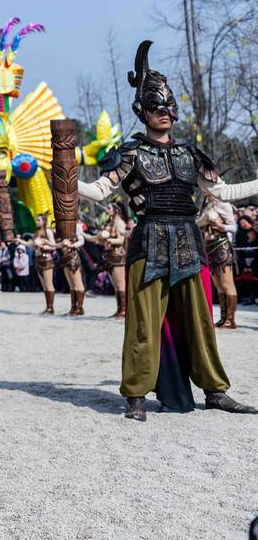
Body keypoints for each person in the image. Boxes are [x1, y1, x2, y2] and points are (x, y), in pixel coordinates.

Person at [78, 40, 258, 420]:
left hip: (190, 245)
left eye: (168, 106)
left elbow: (222, 192)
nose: (164, 112)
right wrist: (64, 179)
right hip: (149, 244)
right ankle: (136, 395)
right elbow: (99, 190)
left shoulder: (190, 153)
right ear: (141, 110)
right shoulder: (130, 154)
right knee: (143, 324)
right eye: (156, 106)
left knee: (200, 322)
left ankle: (215, 391)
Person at [198, 191, 240, 329]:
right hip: (209, 247)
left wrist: (221, 227)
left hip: (222, 245)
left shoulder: (224, 204)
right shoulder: (205, 206)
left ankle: (230, 319)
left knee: (227, 282)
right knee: (218, 284)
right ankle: (223, 318)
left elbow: (233, 227)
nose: (204, 190)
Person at [84, 203, 129, 318]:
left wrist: (108, 240)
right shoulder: (110, 222)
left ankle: (124, 310)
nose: (107, 210)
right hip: (110, 256)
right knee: (115, 285)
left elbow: (121, 240)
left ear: (116, 210)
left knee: (120, 285)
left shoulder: (119, 223)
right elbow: (100, 239)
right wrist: (86, 237)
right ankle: (119, 309)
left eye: (109, 208)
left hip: (118, 256)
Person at [27, 213, 57, 313]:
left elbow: (54, 245)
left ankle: (51, 307)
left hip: (46, 259)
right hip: (38, 258)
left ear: (43, 221)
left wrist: (45, 247)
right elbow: (34, 245)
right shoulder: (36, 232)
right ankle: (47, 306)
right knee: (44, 285)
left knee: (49, 284)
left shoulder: (48, 231)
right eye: (36, 220)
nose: (36, 222)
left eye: (38, 220)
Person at [58, 231, 86, 316]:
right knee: (71, 285)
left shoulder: (75, 226)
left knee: (78, 285)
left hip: (73, 256)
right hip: (65, 257)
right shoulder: (61, 226)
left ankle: (79, 308)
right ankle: (73, 308)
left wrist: (72, 245)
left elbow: (81, 240)